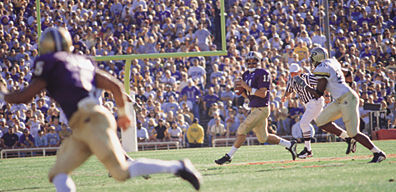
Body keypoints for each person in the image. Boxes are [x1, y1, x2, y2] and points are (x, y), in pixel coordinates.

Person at [0, 27, 201, 191]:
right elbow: (115, 86)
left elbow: (25, 97)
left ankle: (179, 166)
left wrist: (3, 93)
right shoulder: (82, 61)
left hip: (90, 120)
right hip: (84, 125)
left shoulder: (49, 62)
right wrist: (122, 115)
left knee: (120, 171)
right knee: (58, 173)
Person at [296, 46, 386, 163]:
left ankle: (378, 152)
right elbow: (348, 73)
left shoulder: (320, 69)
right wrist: (347, 86)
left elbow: (318, 93)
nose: (312, 61)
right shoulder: (332, 62)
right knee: (321, 121)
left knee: (354, 133)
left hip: (347, 99)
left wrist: (304, 86)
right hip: (340, 99)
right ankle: (347, 138)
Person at [215, 51, 297, 165]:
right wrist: (239, 90)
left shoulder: (263, 73)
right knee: (263, 138)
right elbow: (249, 95)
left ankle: (229, 156)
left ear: (258, 62)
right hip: (254, 108)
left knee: (242, 129)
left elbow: (262, 94)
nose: (251, 63)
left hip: (262, 108)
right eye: (249, 61)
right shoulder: (246, 74)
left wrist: (245, 86)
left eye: (254, 61)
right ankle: (290, 144)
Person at [282, 63, 326, 158]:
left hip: (315, 101)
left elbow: (322, 81)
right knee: (324, 124)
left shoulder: (306, 77)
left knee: (303, 123)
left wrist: (324, 93)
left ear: (299, 72)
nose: (293, 75)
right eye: (291, 74)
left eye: (295, 73)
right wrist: (285, 96)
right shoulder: (291, 80)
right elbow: (289, 89)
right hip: (309, 104)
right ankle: (346, 137)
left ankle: (308, 150)